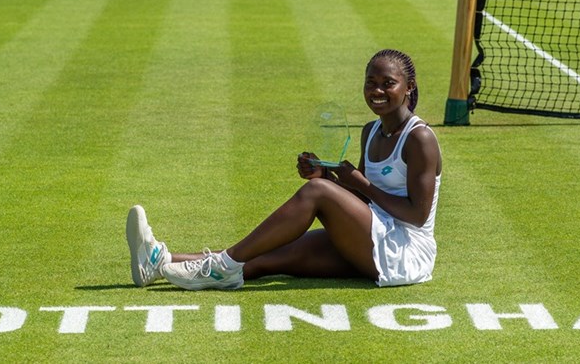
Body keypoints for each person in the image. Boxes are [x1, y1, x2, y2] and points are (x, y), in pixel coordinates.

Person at [126, 49, 442, 290]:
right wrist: (326, 177)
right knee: (271, 256)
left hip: (406, 253)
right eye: (371, 82)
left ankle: (223, 265)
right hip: (374, 235)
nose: (377, 91)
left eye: (388, 83)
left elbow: (417, 215)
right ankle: (158, 262)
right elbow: (363, 204)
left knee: (316, 195)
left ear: (409, 87)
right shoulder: (371, 130)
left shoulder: (420, 138)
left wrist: (354, 183)